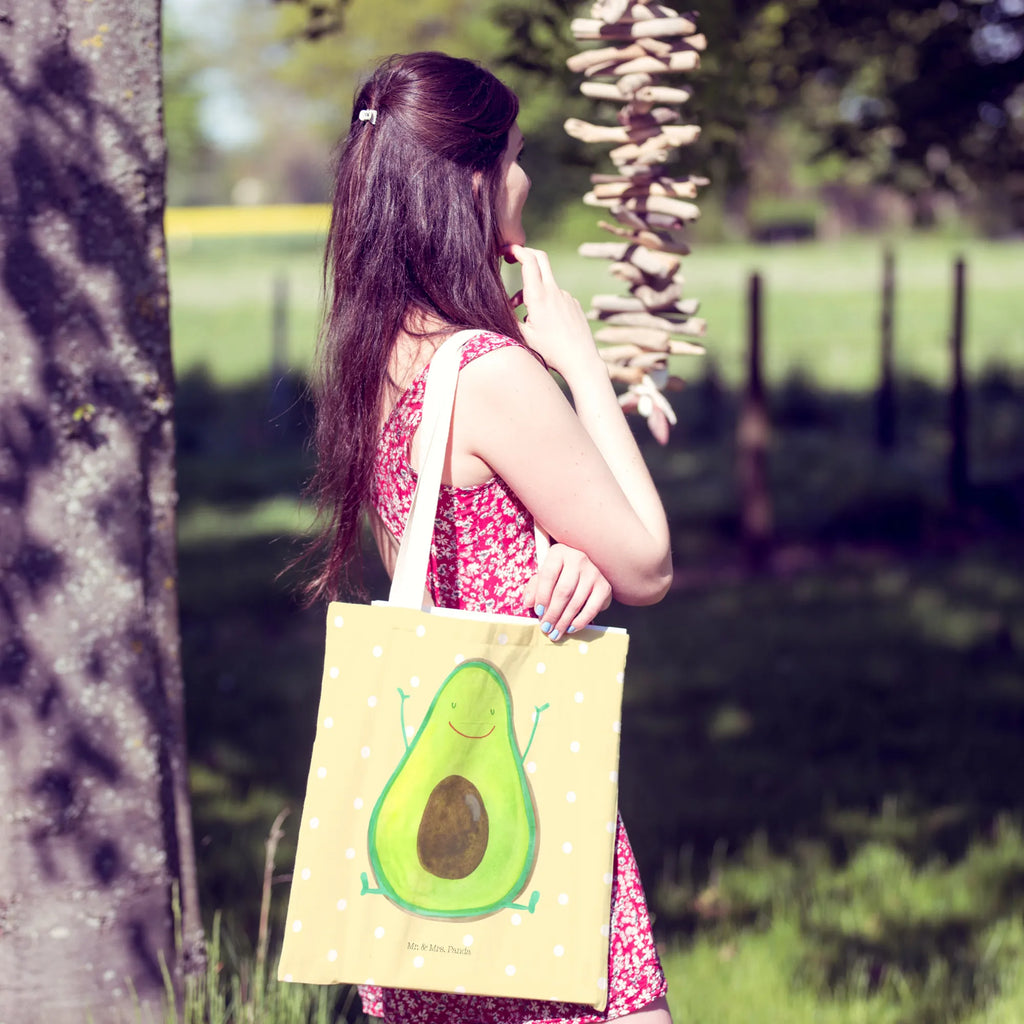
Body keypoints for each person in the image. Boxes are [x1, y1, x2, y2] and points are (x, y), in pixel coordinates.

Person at [305, 51, 674, 1024]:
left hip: (420, 850)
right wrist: (581, 363)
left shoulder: (380, 357)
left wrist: (558, 556)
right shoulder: (491, 372)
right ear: (470, 180)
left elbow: (439, 557)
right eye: (512, 156)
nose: (523, 178)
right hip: (527, 821)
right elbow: (648, 561)